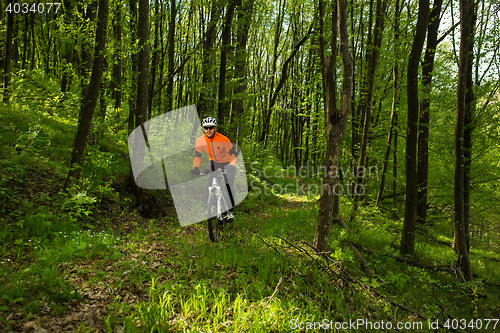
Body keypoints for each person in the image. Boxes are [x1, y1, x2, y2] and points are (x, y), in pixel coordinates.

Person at [191, 116, 236, 221]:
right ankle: (210, 207)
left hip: (227, 162)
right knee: (209, 184)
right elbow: (197, 155)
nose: (208, 130)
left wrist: (232, 166)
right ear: (203, 128)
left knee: (229, 186)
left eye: (211, 128)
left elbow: (233, 155)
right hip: (213, 163)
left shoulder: (223, 139)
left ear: (215, 128)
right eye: (206, 128)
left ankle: (230, 212)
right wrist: (195, 167)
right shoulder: (200, 140)